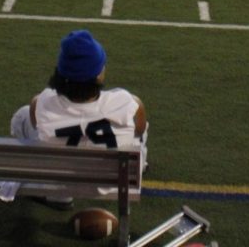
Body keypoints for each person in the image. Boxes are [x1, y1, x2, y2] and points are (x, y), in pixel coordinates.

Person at [9, 30, 147, 206]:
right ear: (98, 74)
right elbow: (140, 131)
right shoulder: (127, 103)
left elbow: (36, 125)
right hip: (114, 182)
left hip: (60, 180)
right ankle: (143, 164)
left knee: (23, 115)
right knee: (139, 130)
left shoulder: (42, 102)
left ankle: (59, 196)